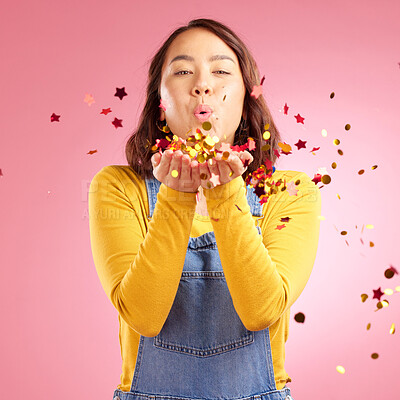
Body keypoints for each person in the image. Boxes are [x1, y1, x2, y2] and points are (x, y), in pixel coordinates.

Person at [89, 18, 321, 400]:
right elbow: (144, 316)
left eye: (221, 70)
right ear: (160, 106)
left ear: (248, 100)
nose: (202, 84)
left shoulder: (290, 191)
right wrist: (177, 196)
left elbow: (262, 310)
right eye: (182, 71)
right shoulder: (116, 187)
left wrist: (225, 191)